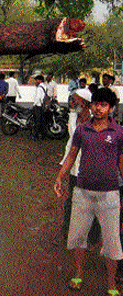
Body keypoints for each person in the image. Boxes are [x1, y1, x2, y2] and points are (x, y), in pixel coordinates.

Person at [54, 87, 123, 296]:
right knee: (78, 237)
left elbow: (122, 162)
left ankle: (111, 283)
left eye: (103, 105)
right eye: (96, 104)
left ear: (111, 108)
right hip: (82, 192)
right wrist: (60, 177)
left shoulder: (119, 133)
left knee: (112, 242)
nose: (98, 108)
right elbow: (71, 156)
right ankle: (78, 273)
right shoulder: (82, 130)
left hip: (110, 194)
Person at [59, 88, 100, 244]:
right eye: (71, 99)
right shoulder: (72, 118)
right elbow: (70, 145)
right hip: (75, 169)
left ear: (85, 103)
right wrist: (63, 169)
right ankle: (68, 233)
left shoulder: (97, 123)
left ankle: (92, 236)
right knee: (71, 202)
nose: (71, 103)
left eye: (75, 100)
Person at [32, 75, 47, 140]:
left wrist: (34, 104)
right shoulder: (44, 86)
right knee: (41, 121)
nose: (35, 82)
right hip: (42, 106)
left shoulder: (39, 88)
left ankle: (36, 135)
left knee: (37, 121)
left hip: (38, 106)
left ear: (40, 80)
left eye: (36, 80)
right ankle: (42, 135)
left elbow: (38, 98)